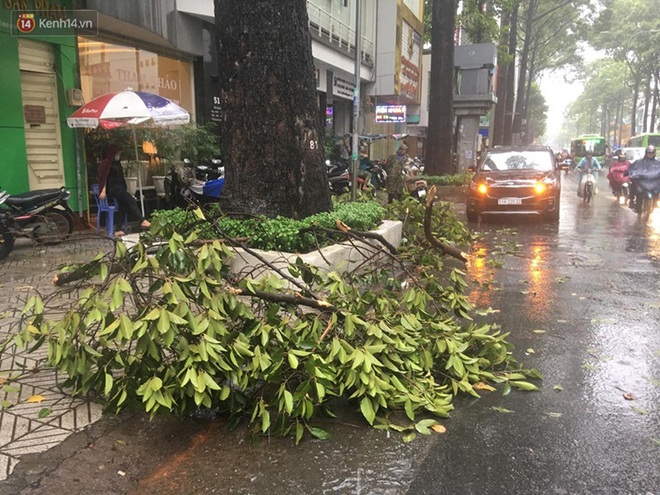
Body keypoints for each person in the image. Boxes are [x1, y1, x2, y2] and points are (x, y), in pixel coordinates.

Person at [97, 144, 151, 236]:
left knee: (123, 206)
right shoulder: (107, 163)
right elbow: (104, 177)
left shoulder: (117, 163)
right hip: (114, 189)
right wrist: (103, 190)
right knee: (131, 200)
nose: (119, 155)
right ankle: (142, 220)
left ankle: (118, 229)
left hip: (120, 188)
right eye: (118, 153)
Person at [626, 145, 660, 213]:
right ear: (646, 153)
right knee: (634, 186)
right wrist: (628, 173)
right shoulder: (639, 162)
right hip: (642, 183)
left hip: (654, 183)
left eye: (652, 153)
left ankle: (655, 203)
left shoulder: (658, 163)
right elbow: (631, 169)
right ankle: (632, 201)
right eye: (649, 153)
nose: (650, 154)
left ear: (654, 153)